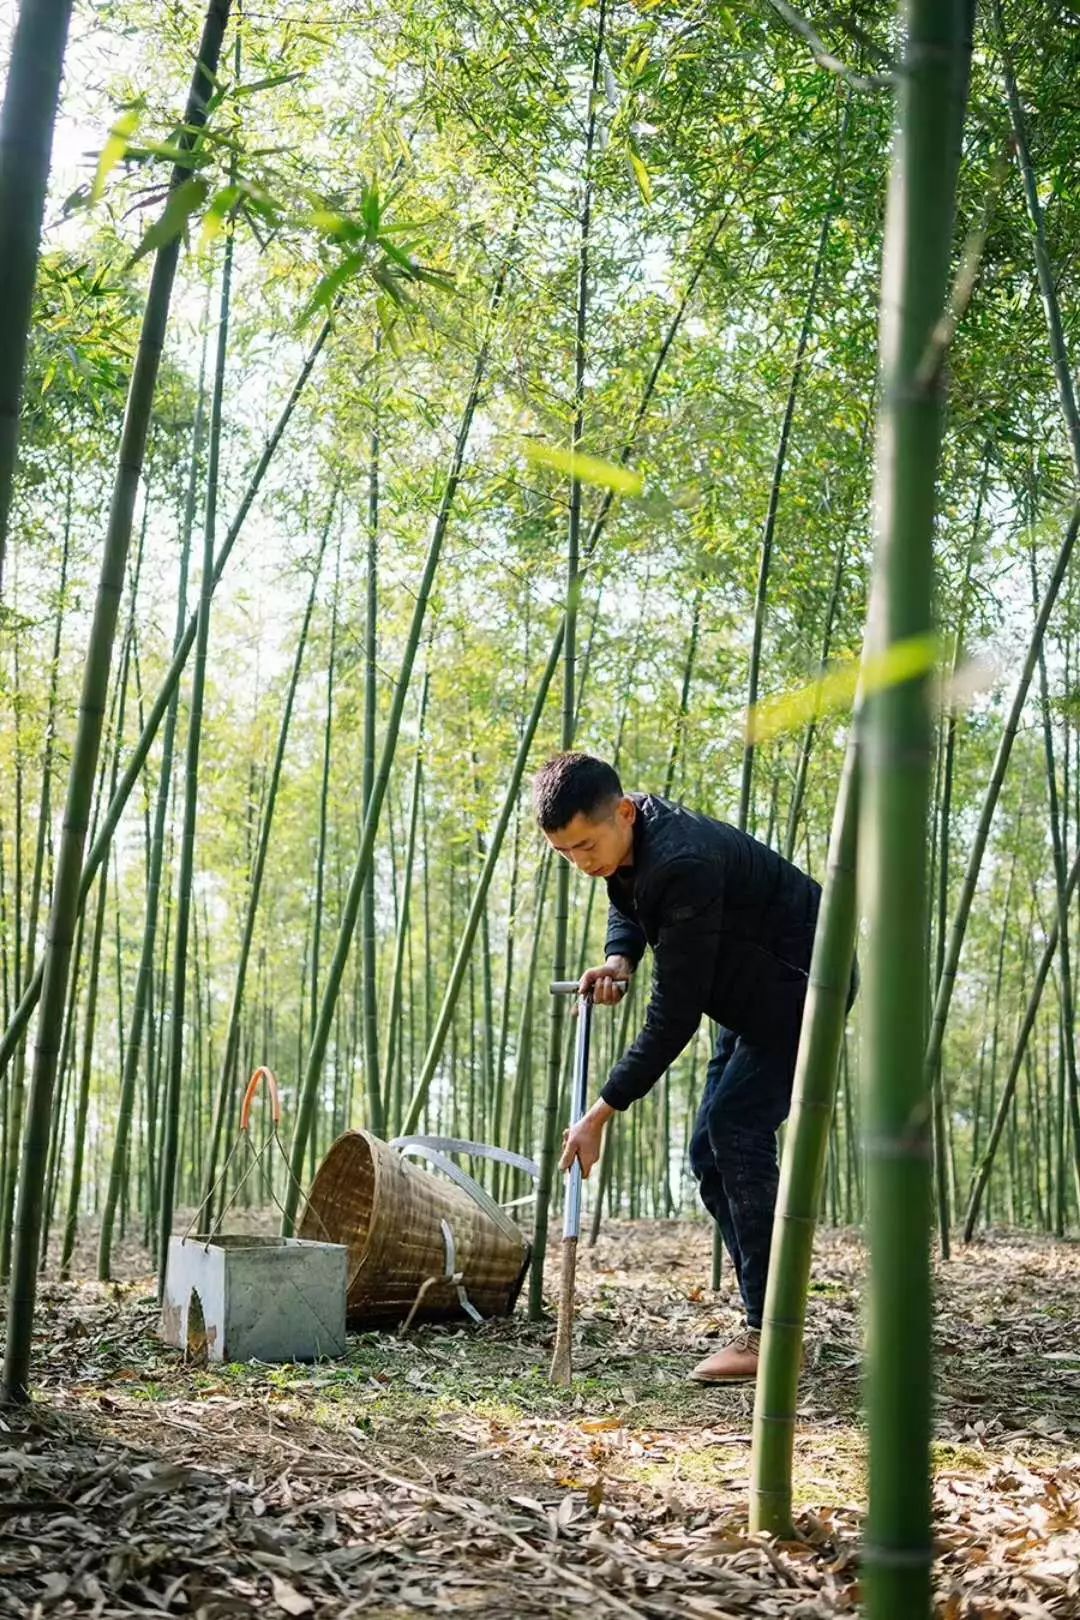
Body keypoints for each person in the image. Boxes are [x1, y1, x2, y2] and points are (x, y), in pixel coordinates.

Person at [533, 751, 857, 1383]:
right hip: (748, 994)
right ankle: (767, 1318)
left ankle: (774, 1335)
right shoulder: (629, 838)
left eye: (585, 846)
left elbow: (674, 1015)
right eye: (566, 854)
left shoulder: (682, 861)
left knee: (735, 1127)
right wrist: (620, 958)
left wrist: (601, 1110)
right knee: (710, 1152)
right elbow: (626, 896)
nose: (581, 864)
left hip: (806, 985)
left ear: (623, 813)